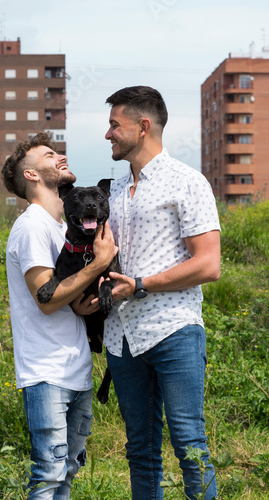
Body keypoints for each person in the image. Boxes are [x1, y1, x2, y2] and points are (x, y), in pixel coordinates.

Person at [103, 86, 221, 500]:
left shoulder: (187, 182)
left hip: (173, 330)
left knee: (190, 445)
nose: (108, 134)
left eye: (115, 125)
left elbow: (208, 263)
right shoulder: (115, 191)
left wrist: (141, 285)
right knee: (140, 451)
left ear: (144, 126)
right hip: (121, 339)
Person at [1, 132, 117, 500]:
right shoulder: (33, 224)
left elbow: (66, 295)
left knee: (67, 473)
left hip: (76, 368)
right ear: (32, 175)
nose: (61, 156)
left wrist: (84, 304)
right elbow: (47, 299)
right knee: (49, 475)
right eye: (50, 154)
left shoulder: (62, 227)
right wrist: (99, 263)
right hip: (46, 371)